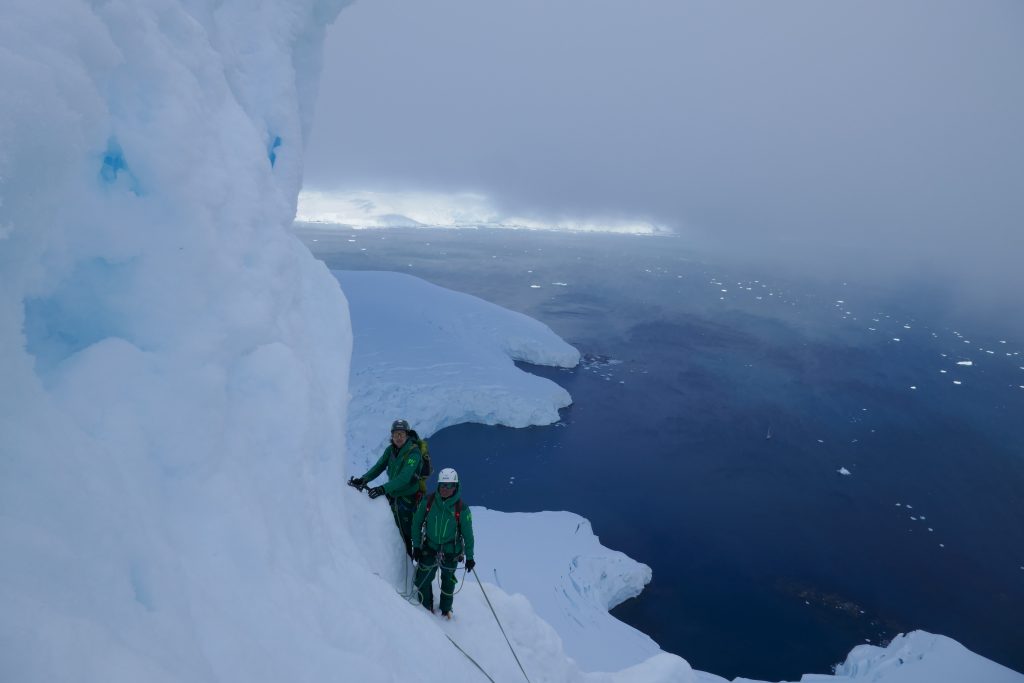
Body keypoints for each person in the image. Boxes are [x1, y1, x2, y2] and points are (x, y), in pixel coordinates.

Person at [348, 419, 424, 557]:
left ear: (407, 435)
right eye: (396, 434)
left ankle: (409, 562)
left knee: (407, 532)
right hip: (393, 494)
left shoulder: (414, 453)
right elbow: (379, 466)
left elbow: (404, 478)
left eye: (401, 434)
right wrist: (363, 479)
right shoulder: (390, 450)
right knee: (394, 530)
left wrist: (382, 489)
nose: (398, 438)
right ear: (392, 436)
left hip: (408, 498)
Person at [410, 467, 475, 618]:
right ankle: (426, 608)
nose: (446, 489)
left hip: (451, 551)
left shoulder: (462, 509)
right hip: (430, 547)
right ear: (438, 485)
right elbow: (417, 523)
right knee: (422, 579)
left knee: (448, 582)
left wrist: (470, 557)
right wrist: (417, 546)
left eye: (450, 485)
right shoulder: (428, 502)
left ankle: (446, 610)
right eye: (443, 485)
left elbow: (468, 535)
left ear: (456, 486)